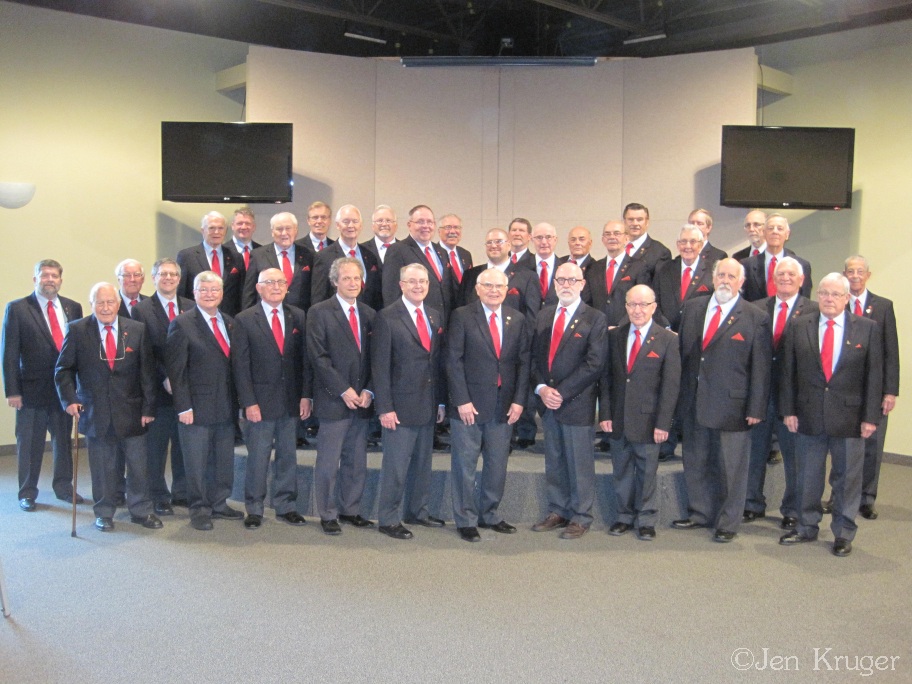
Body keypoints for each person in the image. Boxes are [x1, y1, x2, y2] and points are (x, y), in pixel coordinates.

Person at [779, 273, 883, 557]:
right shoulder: (799, 325)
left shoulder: (867, 328)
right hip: (808, 414)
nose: (828, 299)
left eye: (836, 294)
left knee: (846, 479)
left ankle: (844, 533)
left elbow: (874, 376)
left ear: (846, 298)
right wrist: (788, 410)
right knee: (807, 475)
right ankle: (806, 526)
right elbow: (788, 372)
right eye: (824, 293)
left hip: (850, 418)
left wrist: (870, 417)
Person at [673, 258, 771, 543]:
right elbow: (684, 355)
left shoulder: (755, 316)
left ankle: (728, 521)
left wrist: (756, 407)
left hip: (733, 406)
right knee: (696, 460)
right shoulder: (693, 307)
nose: (725, 281)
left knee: (731, 468)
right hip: (694, 400)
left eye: (731, 276)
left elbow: (761, 368)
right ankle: (700, 512)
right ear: (713, 278)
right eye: (721, 275)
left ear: (741, 282)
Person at [54, 282, 161, 532]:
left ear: (118, 304)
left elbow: (147, 373)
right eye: (99, 302)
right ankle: (104, 512)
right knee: (103, 468)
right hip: (96, 411)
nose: (105, 307)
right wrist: (70, 399)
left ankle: (141, 511)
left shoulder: (136, 329)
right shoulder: (78, 330)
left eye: (110, 302)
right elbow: (63, 369)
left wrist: (149, 408)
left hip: (133, 411)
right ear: (92, 304)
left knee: (138, 467)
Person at [447, 268, 530, 542]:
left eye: (499, 287)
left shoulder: (517, 319)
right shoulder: (461, 316)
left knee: (497, 464)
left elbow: (523, 363)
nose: (494, 291)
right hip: (469, 406)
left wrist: (519, 401)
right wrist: (462, 400)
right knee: (465, 465)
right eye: (488, 286)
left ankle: (489, 514)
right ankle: (466, 519)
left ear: (506, 290)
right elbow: (453, 361)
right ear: (478, 289)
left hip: (504, 405)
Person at [530, 262, 608, 539]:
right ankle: (558, 510)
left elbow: (594, 363)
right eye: (561, 279)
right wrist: (541, 388)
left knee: (579, 464)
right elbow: (534, 358)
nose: (566, 284)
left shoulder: (595, 318)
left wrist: (560, 392)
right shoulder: (543, 316)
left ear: (582, 284)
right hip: (547, 403)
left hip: (576, 402)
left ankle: (581, 516)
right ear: (554, 284)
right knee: (555, 461)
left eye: (572, 280)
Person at [599, 284, 680, 541]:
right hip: (618, 418)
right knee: (621, 470)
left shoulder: (668, 340)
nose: (637, 310)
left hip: (650, 420)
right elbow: (606, 379)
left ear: (654, 307)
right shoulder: (614, 336)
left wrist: (663, 423)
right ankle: (623, 516)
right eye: (632, 304)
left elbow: (670, 386)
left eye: (643, 305)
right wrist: (605, 414)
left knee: (646, 473)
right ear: (625, 307)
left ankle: (646, 519)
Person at [232, 268, 311, 530]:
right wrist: (248, 402)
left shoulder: (298, 315)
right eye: (270, 282)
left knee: (288, 456)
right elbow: (240, 366)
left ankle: (286, 505)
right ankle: (254, 508)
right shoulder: (244, 319)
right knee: (258, 458)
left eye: (281, 282)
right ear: (258, 288)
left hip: (291, 400)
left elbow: (305, 361)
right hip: (259, 402)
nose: (276, 287)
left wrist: (305, 396)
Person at [372, 263, 446, 539]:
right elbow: (380, 367)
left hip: (427, 404)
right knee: (396, 467)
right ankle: (388, 518)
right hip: (399, 408)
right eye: (412, 281)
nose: (418, 286)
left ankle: (418, 511)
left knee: (422, 464)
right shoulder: (387, 317)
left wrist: (440, 403)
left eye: (423, 281)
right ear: (401, 285)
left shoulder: (434, 315)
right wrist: (385, 408)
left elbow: (436, 363)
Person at [743, 257, 817, 529]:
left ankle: (792, 509)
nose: (785, 278)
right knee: (754, 452)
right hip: (760, 394)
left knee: (794, 456)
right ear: (773, 279)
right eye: (780, 274)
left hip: (794, 398)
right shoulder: (755, 308)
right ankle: (752, 503)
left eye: (791, 274)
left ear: (802, 280)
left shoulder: (814, 310)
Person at [3, 259, 83, 511]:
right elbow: (9, 353)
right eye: (44, 275)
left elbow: (79, 352)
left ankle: (64, 487)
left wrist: (78, 390)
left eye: (54, 276)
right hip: (30, 391)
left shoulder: (73, 307)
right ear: (35, 279)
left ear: (60, 280)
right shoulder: (17, 308)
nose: (50, 280)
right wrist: (12, 390)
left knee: (63, 442)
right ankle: (27, 492)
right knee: (30, 444)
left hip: (64, 391)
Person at [166, 271, 243, 531]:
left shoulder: (230, 322)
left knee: (222, 460)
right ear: (194, 293)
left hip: (225, 405)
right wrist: (183, 406)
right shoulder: (182, 324)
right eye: (204, 290)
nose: (210, 294)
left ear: (221, 294)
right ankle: (199, 509)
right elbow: (176, 371)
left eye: (214, 290)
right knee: (196, 462)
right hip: (195, 408)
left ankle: (219, 503)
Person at [307, 258, 377, 535]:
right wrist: (343, 389)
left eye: (356, 278)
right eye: (346, 278)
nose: (352, 283)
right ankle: (327, 513)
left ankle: (350, 509)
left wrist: (369, 390)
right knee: (328, 462)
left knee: (356, 461)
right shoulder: (319, 312)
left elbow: (377, 358)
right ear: (335, 281)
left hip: (362, 401)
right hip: (334, 398)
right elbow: (318, 357)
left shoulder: (370, 314)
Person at [131, 258, 195, 515]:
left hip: (187, 390)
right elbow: (144, 353)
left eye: (173, 274)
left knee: (182, 444)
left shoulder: (191, 306)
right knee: (156, 448)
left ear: (179, 279)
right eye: (163, 274)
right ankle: (158, 495)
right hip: (158, 390)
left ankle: (182, 492)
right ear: (154, 278)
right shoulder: (141, 310)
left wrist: (182, 379)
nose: (168, 278)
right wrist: (165, 377)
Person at [841, 255, 899, 520]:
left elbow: (891, 352)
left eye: (859, 271)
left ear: (868, 275)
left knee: (872, 445)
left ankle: (866, 498)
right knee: (842, 445)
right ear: (844, 274)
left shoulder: (883, 306)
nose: (855, 275)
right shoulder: (836, 303)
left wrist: (890, 391)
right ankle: (839, 495)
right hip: (843, 389)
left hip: (874, 389)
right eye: (850, 271)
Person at [381, 205, 456, 320]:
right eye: (420, 222)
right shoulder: (397, 250)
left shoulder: (442, 252)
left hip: (442, 322)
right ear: (409, 225)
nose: (426, 226)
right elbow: (391, 293)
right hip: (413, 321)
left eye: (429, 222)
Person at [458, 228, 540, 325]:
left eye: (499, 242)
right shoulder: (470, 275)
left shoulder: (528, 277)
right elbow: (461, 312)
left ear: (509, 245)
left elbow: (531, 319)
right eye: (489, 242)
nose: (493, 246)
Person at [311, 204, 382, 310]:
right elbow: (318, 299)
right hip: (335, 317)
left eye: (355, 221)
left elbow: (376, 295)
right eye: (346, 221)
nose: (351, 225)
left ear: (361, 225)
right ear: (337, 225)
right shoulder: (323, 257)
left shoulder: (370, 256)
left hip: (366, 317)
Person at [176, 211, 244, 316]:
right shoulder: (187, 256)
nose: (216, 232)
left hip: (228, 318)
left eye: (221, 228)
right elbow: (181, 291)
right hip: (196, 318)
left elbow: (241, 292)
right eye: (211, 228)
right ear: (203, 230)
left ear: (226, 231)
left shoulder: (236, 257)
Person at [243, 211, 313, 311]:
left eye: (288, 228)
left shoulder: (309, 255)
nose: (284, 233)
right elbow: (249, 293)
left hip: (300, 316)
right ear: (272, 232)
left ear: (296, 230)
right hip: (267, 315)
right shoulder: (258, 255)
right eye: (279, 229)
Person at [654, 225, 714, 333]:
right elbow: (654, 302)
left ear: (700, 245)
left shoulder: (712, 272)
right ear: (678, 245)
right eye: (683, 242)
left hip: (698, 334)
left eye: (693, 242)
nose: (688, 246)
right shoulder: (664, 269)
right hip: (667, 334)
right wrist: (666, 327)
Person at [583, 220, 644, 326]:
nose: (612, 237)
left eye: (617, 233)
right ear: (603, 240)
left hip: (626, 328)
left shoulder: (638, 267)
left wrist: (620, 327)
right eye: (608, 234)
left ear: (626, 238)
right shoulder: (593, 268)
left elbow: (641, 301)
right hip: (597, 328)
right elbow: (587, 302)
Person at [741, 213, 811, 302]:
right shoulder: (746, 265)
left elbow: (804, 301)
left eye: (780, 228)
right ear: (764, 233)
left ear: (787, 234)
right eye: (770, 228)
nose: (775, 232)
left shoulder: (802, 265)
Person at [621, 202, 671, 287]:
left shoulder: (660, 252)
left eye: (639, 219)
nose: (635, 223)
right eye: (630, 219)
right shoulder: (617, 248)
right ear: (624, 222)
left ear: (647, 222)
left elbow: (661, 287)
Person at [224, 205, 261, 280]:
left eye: (247, 223)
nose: (244, 227)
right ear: (232, 226)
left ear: (254, 227)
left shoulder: (261, 251)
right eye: (240, 223)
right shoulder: (223, 251)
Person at [530, 222, 562, 306]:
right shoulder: (521, 268)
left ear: (555, 240)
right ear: (532, 240)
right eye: (539, 237)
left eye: (548, 237)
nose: (544, 242)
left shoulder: (565, 268)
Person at [437, 213, 473, 286]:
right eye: (448, 227)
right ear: (439, 231)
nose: (453, 231)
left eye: (456, 227)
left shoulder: (466, 255)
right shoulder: (434, 253)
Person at [360, 204, 398, 269]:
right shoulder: (362, 250)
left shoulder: (405, 249)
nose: (384, 224)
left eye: (388, 221)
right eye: (380, 221)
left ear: (396, 226)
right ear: (372, 226)